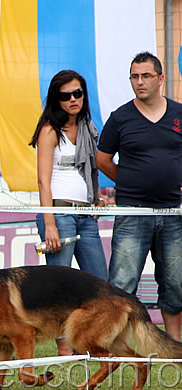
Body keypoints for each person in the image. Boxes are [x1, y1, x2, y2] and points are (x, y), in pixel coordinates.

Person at [97, 51, 182, 341]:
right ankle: (120, 348)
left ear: (160, 79)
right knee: (122, 283)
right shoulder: (120, 118)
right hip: (133, 212)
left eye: (145, 76)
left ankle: (174, 347)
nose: (139, 81)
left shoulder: (179, 114)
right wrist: (132, 182)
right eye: (134, 76)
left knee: (176, 284)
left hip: (173, 213)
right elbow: (102, 159)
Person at [30, 70, 108, 355]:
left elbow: (93, 169)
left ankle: (90, 343)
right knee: (60, 286)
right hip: (59, 213)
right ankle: (64, 350)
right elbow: (43, 180)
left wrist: (97, 199)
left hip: (86, 214)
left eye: (78, 93)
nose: (73, 99)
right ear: (56, 99)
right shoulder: (50, 130)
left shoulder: (88, 126)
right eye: (66, 96)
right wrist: (49, 222)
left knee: (99, 281)